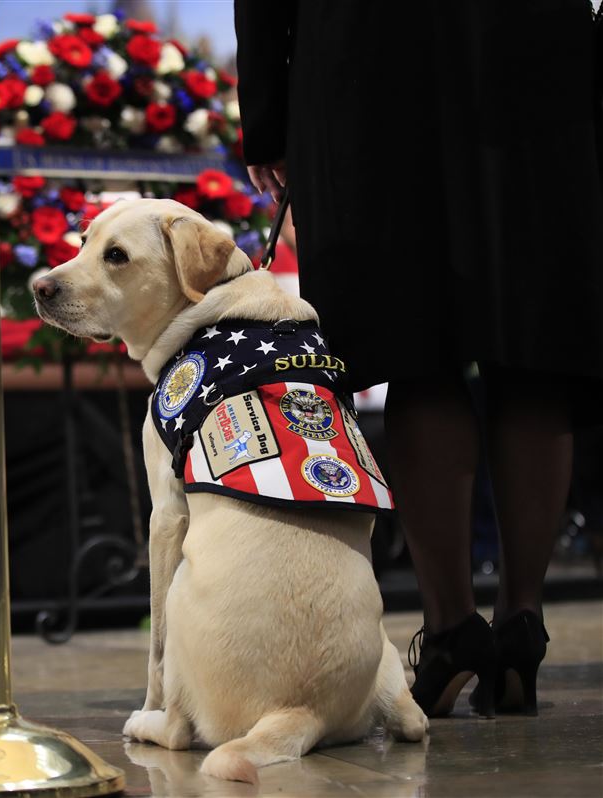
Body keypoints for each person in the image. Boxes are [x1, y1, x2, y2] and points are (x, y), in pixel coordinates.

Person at [234, 1, 603, 718]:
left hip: (368, 56)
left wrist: (270, 116)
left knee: (417, 352)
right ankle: (522, 622)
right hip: (535, 57)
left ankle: (451, 630)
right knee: (530, 352)